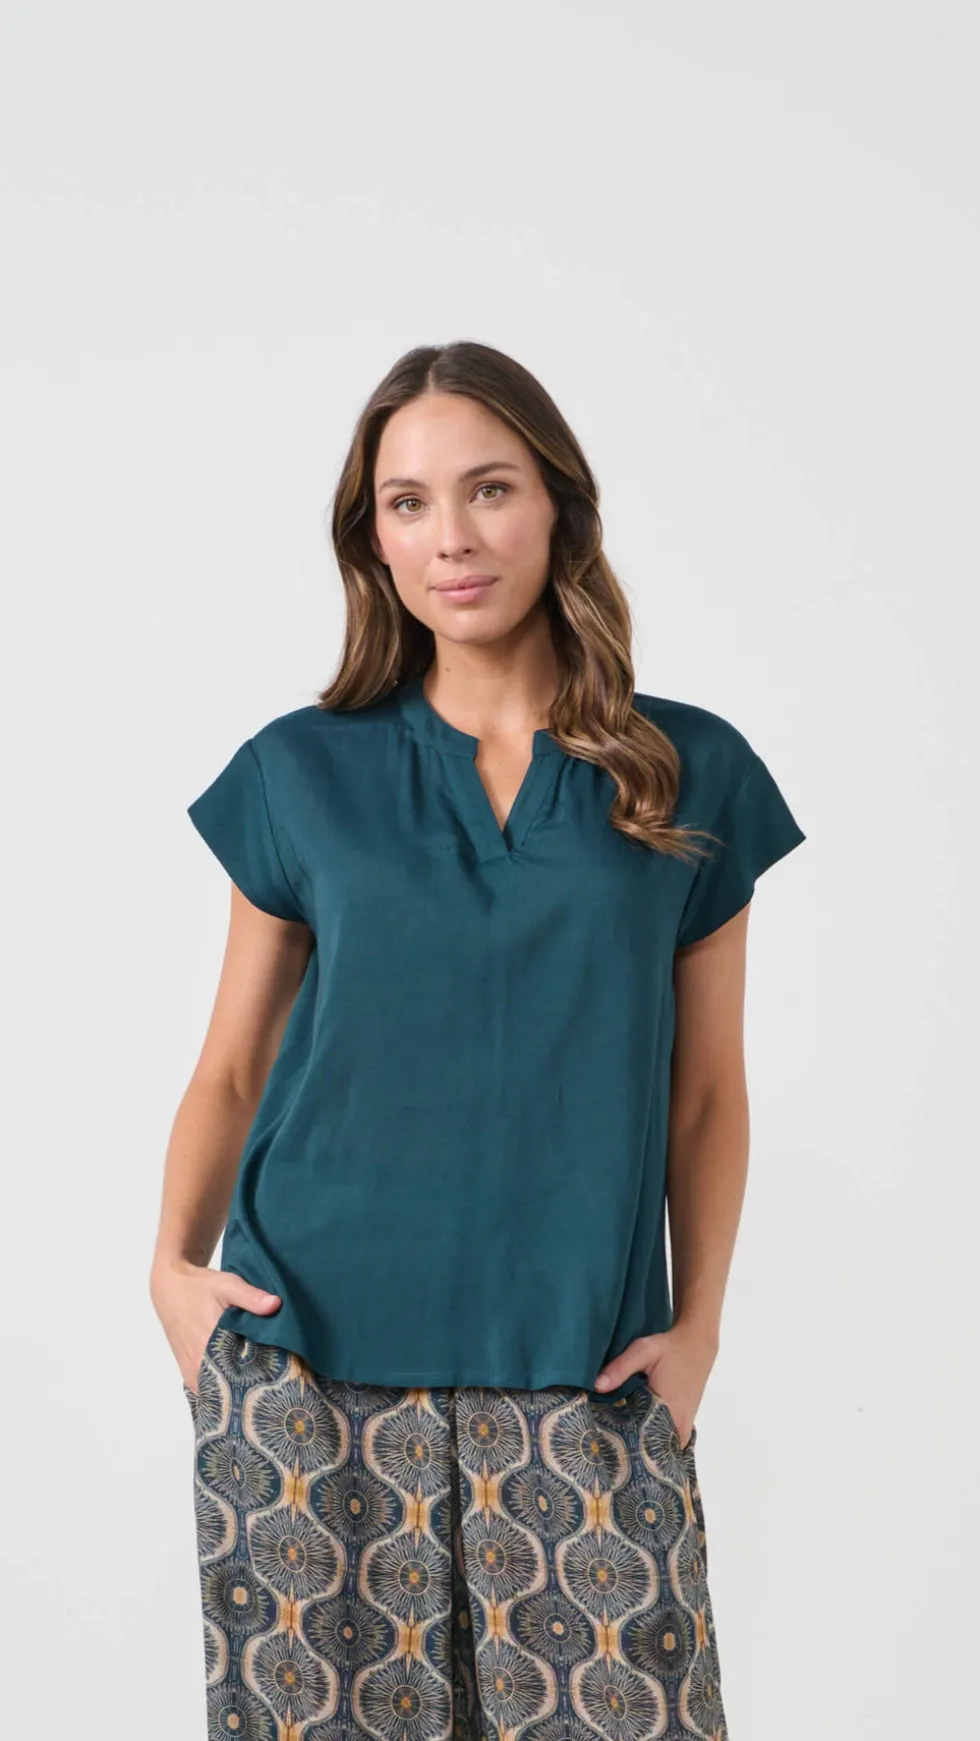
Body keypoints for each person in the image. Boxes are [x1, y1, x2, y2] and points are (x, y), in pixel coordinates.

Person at [150, 339, 805, 1741]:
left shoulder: (686, 772)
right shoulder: (300, 770)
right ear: (373, 539)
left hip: (587, 1365)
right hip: (306, 1369)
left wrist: (699, 1326)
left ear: (560, 504)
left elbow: (705, 1092)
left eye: (489, 488)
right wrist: (171, 1272)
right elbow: (234, 1064)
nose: (450, 536)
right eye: (408, 502)